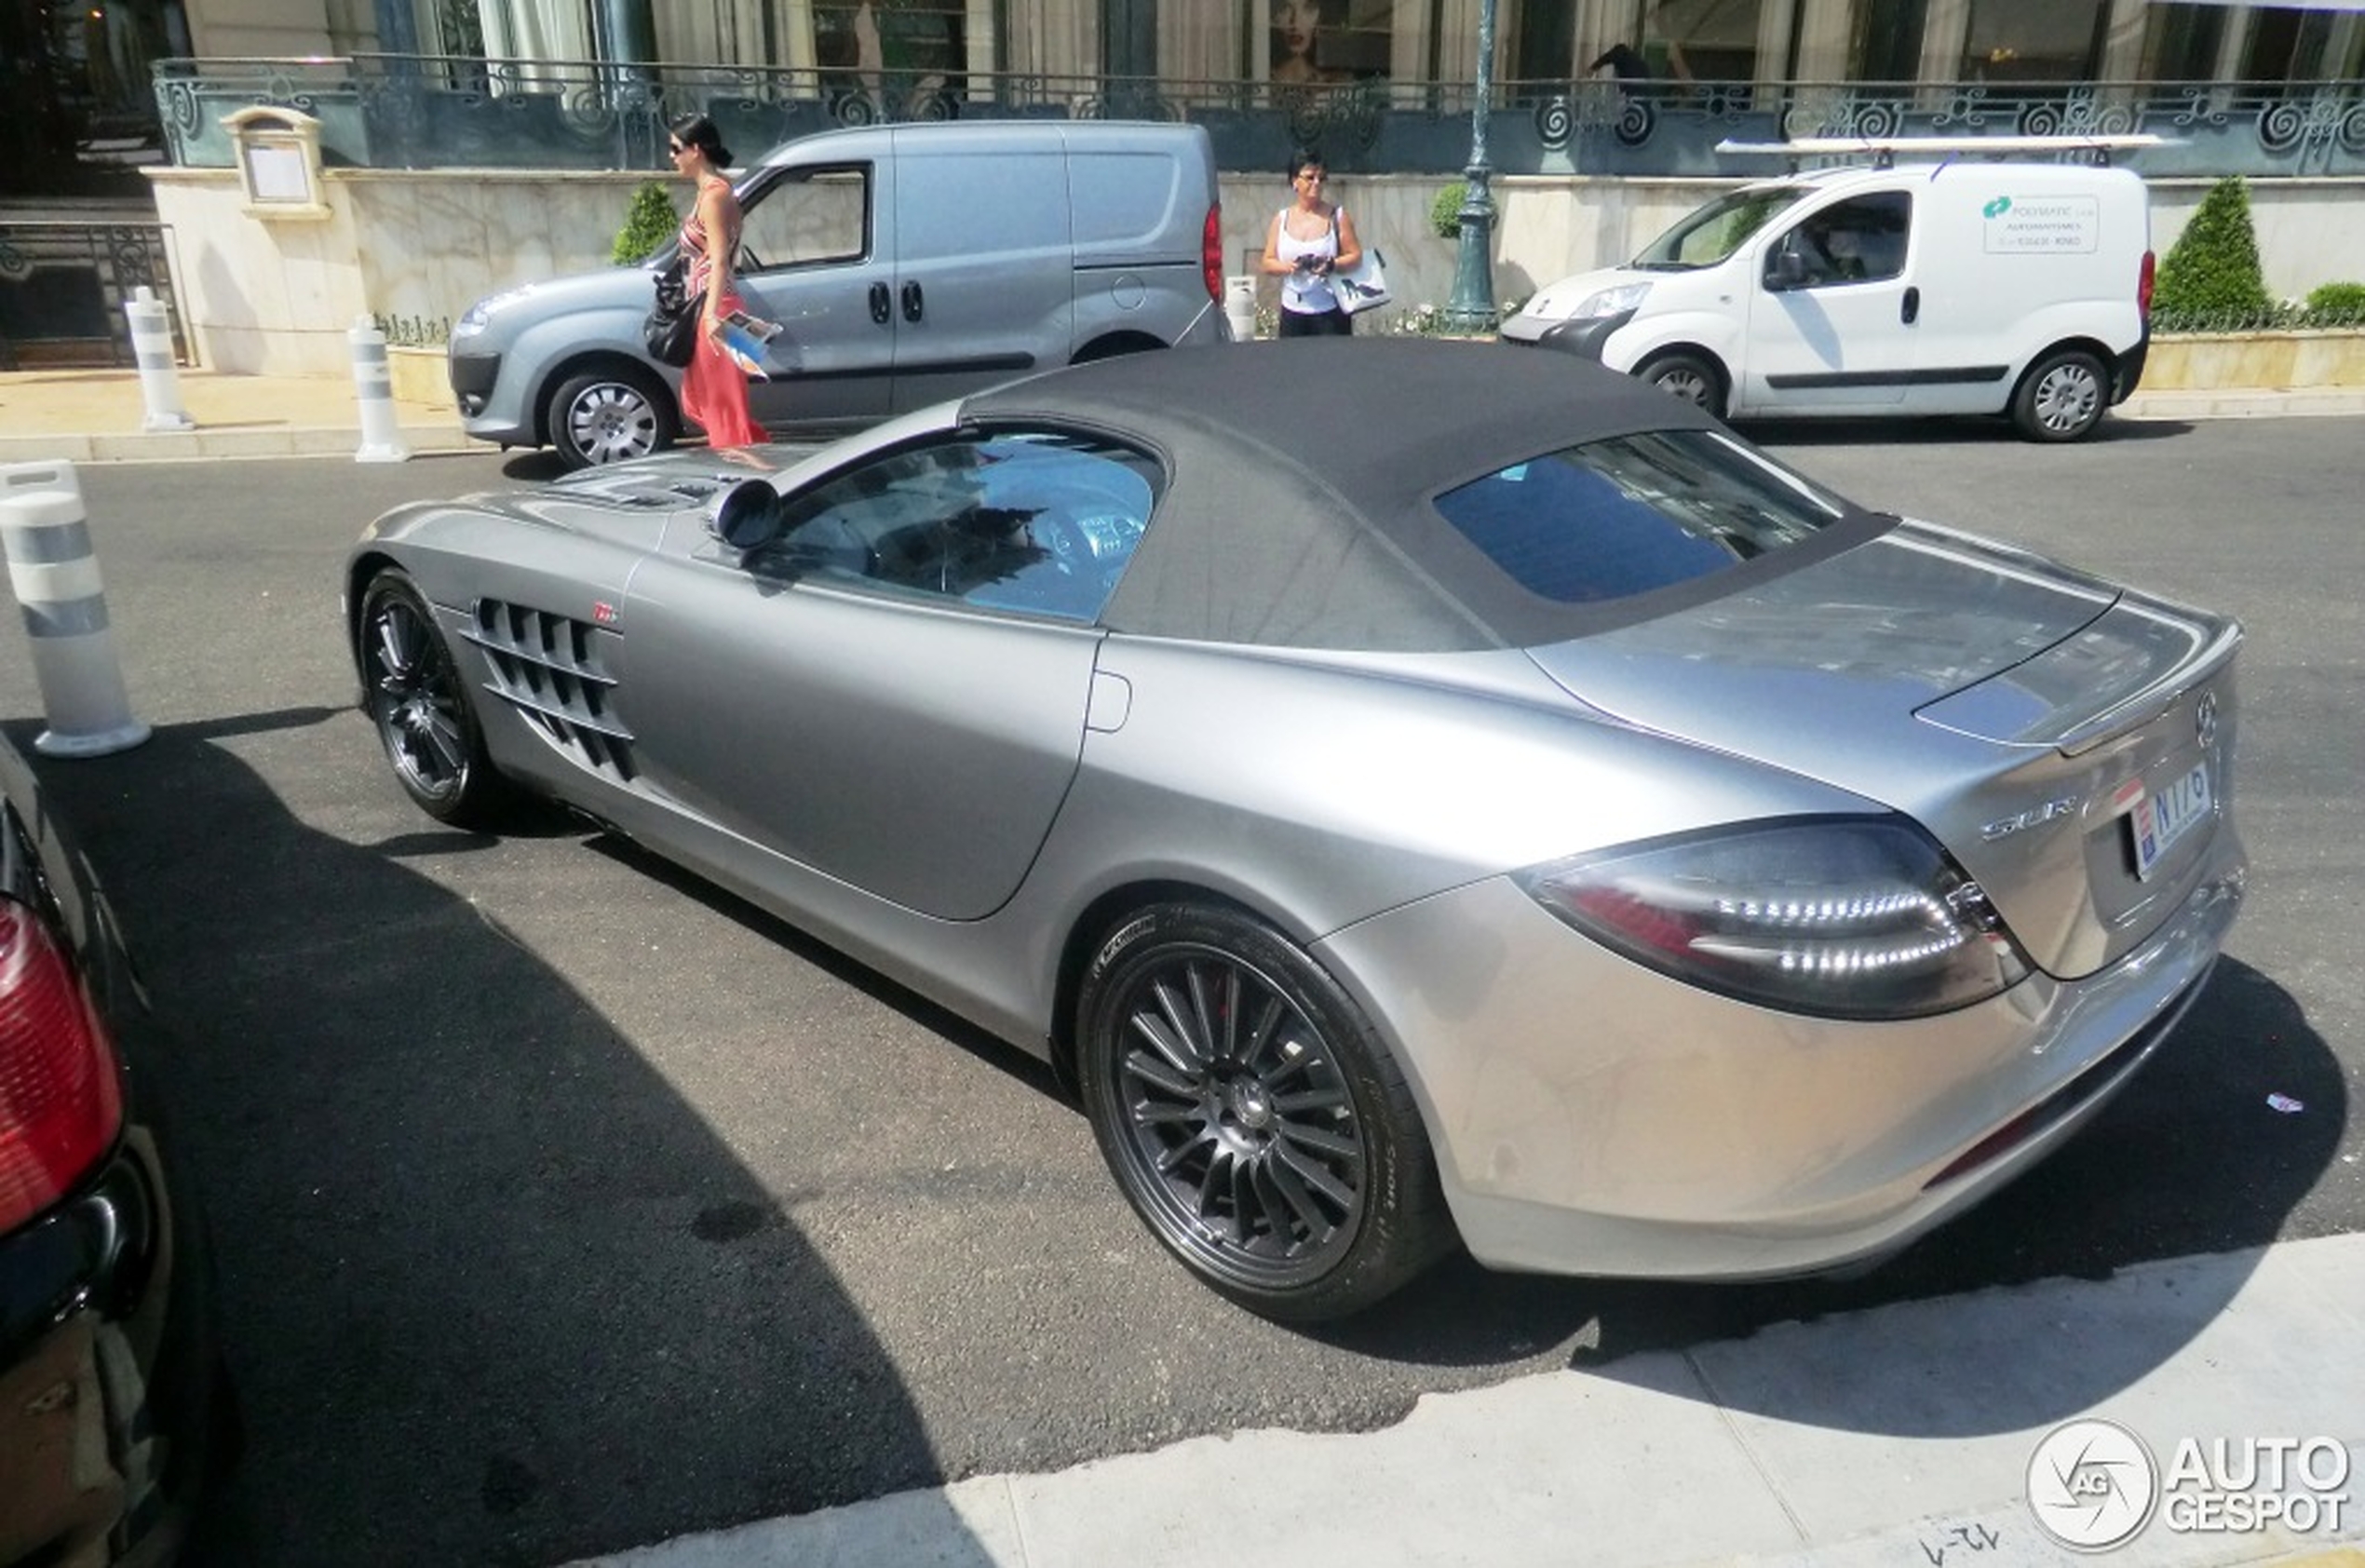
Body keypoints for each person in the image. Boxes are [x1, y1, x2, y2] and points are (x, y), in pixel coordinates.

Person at [667, 113, 766, 450]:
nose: (672, 156)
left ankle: (748, 477)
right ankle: (756, 468)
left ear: (695, 150)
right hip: (713, 306)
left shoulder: (714, 195)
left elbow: (721, 258)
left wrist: (710, 316)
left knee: (723, 408)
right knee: (705, 403)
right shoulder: (712, 192)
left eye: (675, 148)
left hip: (718, 308)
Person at [1262, 149, 1363, 338]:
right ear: (1294, 181)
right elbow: (1267, 261)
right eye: (1310, 177)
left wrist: (1331, 264)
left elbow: (1356, 256)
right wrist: (1289, 267)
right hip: (1292, 311)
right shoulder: (1281, 219)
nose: (1316, 183)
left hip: (1329, 311)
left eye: (1321, 178)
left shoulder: (1337, 216)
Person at [1271, 0, 1348, 86]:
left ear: (1321, 16)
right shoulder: (1259, 74)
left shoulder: (1338, 82)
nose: (1296, 23)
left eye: (1308, 9)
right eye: (1284, 9)